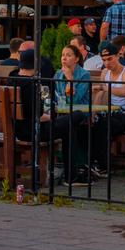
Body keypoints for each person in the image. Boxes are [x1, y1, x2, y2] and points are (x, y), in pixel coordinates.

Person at [92, 41, 125, 173]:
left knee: (103, 125)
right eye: (104, 60)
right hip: (113, 114)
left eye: (110, 59)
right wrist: (93, 112)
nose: (107, 63)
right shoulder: (104, 73)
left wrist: (104, 87)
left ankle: (103, 166)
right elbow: (101, 95)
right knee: (92, 123)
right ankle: (92, 162)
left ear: (118, 56)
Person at [52, 44, 92, 185]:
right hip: (63, 113)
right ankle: (72, 171)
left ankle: (75, 168)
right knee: (66, 126)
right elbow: (57, 98)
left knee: (70, 124)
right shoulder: (58, 74)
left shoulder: (84, 75)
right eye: (63, 55)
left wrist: (70, 79)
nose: (64, 58)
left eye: (68, 55)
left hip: (82, 113)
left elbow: (75, 100)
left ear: (76, 59)